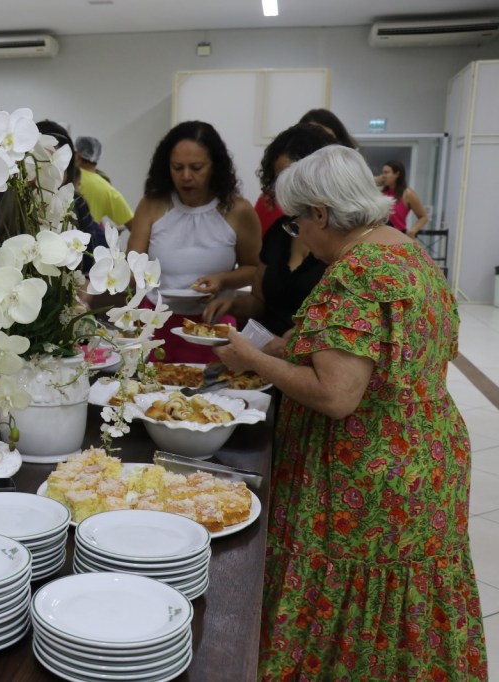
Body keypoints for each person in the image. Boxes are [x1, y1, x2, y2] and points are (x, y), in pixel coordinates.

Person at [212, 145, 486, 679]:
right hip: (427, 456)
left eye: (296, 222)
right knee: (406, 604)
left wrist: (250, 359)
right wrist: (279, 350)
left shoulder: (357, 273)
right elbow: (365, 349)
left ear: (320, 213)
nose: (298, 237)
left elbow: (337, 395)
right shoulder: (408, 254)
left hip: (367, 473)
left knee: (349, 598)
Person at [127, 120, 261, 363]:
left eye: (196, 168)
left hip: (212, 325)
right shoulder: (152, 205)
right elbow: (132, 266)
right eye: (177, 167)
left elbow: (254, 269)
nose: (186, 176)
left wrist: (223, 280)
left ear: (214, 167)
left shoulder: (238, 210)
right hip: (157, 320)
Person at [202, 123, 336, 355]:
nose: (285, 190)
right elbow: (260, 301)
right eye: (278, 182)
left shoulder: (340, 237)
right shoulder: (279, 231)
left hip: (314, 361)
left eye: (293, 179)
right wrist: (232, 304)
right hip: (268, 359)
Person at [0, 121, 104, 286]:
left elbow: (91, 271)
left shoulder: (76, 205)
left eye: (55, 167)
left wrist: (76, 306)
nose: (45, 173)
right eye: (38, 163)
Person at [74, 135, 134, 229]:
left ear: (77, 155)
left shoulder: (65, 176)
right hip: (88, 242)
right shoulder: (107, 190)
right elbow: (134, 226)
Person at [379, 159, 428, 236]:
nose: (383, 176)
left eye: (387, 172)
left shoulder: (407, 194)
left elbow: (423, 216)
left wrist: (413, 230)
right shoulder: (381, 192)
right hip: (380, 235)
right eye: (383, 172)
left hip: (398, 236)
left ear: (397, 174)